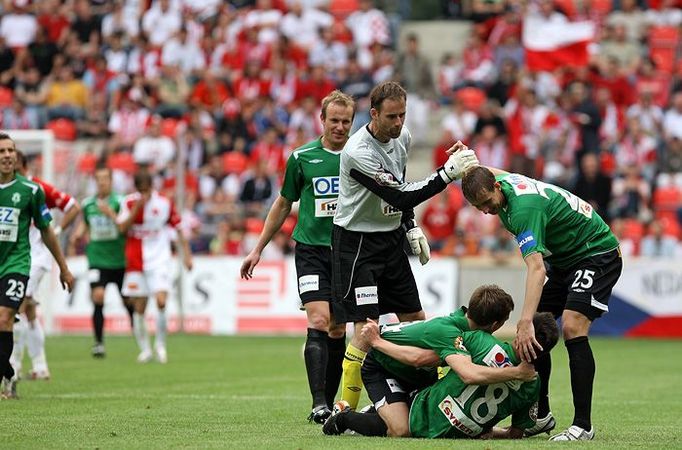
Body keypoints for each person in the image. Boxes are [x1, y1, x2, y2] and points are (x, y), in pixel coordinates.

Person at [331, 80, 478, 410]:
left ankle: (417, 394)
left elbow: (400, 187)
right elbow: (398, 194)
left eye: (403, 115)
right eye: (392, 117)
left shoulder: (403, 138)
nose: (399, 123)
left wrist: (409, 225)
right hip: (357, 245)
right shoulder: (358, 152)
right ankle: (347, 410)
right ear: (374, 114)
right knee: (368, 328)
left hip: (390, 239)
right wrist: (447, 174)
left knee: (416, 317)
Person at [461, 163, 622, 441]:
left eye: (487, 202)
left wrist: (522, 322)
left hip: (596, 253)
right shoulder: (501, 182)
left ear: (497, 188)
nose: (486, 210)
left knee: (571, 326)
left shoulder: (524, 211)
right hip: (565, 259)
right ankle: (541, 416)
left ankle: (583, 426)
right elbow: (483, 169)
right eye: (479, 207)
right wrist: (464, 159)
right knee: (540, 327)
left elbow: (537, 268)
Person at [240, 90, 355, 424]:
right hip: (311, 250)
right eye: (334, 120)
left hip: (348, 252)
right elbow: (282, 202)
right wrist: (258, 247)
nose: (339, 127)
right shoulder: (302, 157)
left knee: (337, 327)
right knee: (319, 320)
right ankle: (318, 402)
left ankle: (332, 404)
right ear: (322, 120)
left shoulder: (361, 156)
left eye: (346, 121)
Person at [323, 284, 534, 437]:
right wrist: (516, 373)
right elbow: (423, 360)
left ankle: (383, 408)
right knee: (402, 430)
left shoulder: (463, 329)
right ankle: (343, 417)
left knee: (428, 416)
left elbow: (424, 359)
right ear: (496, 325)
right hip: (382, 366)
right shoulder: (449, 332)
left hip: (414, 370)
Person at [0, 132, 74, 399]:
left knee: (6, 316)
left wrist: (64, 268)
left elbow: (47, 231)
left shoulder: (31, 191)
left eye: (10, 150)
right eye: (2, 151)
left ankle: (18, 372)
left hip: (17, 264)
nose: (7, 155)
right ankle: (10, 373)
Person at [10, 150, 80, 381]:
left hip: (37, 257)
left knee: (16, 307)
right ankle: (40, 367)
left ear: (21, 164)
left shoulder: (36, 188)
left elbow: (73, 206)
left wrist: (57, 231)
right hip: (16, 258)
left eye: (11, 156)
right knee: (28, 310)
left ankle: (13, 367)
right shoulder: (5, 190)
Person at [116, 169, 192, 364]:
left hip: (159, 260)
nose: (144, 194)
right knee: (139, 308)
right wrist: (136, 209)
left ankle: (160, 346)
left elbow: (179, 227)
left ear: (152, 187)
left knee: (161, 301)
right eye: (140, 191)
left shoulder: (164, 203)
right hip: (135, 261)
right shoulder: (128, 202)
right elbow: (122, 228)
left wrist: (187, 256)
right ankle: (145, 349)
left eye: (146, 190)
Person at [69, 164, 134, 358]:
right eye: (98, 179)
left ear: (111, 181)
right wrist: (76, 236)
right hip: (97, 258)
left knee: (128, 300)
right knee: (98, 297)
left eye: (105, 178)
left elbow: (126, 227)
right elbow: (84, 224)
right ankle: (98, 343)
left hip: (120, 260)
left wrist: (111, 215)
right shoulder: (88, 204)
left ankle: (137, 331)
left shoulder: (121, 202)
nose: (102, 182)